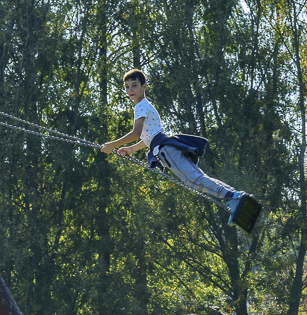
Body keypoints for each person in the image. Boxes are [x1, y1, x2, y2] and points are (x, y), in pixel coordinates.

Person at [99, 68, 261, 233]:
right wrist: (132, 149)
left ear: (144, 87)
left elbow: (135, 133)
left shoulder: (140, 107)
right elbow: (149, 137)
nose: (130, 90)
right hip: (165, 147)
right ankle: (234, 195)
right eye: (127, 86)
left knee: (193, 180)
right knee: (197, 178)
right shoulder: (145, 106)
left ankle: (232, 197)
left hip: (165, 149)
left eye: (134, 85)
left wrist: (112, 145)